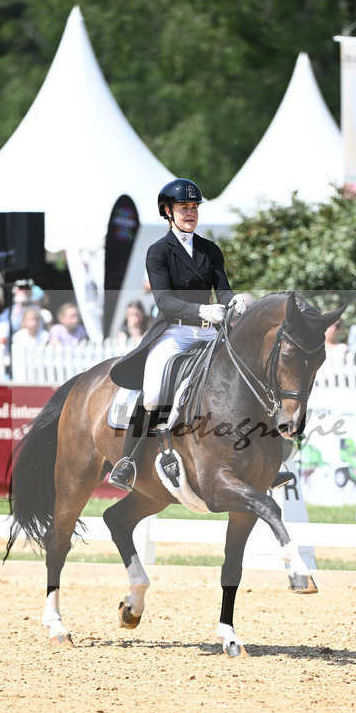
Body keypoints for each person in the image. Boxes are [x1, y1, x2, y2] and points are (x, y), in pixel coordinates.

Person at [107, 178, 255, 491]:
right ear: (168, 212)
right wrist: (200, 310)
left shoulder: (209, 249)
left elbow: (223, 291)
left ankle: (263, 458)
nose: (190, 213)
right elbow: (163, 300)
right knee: (154, 393)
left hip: (210, 333)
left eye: (194, 207)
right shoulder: (158, 251)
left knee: (245, 376)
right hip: (174, 332)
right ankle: (128, 460)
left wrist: (235, 301)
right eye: (184, 207)